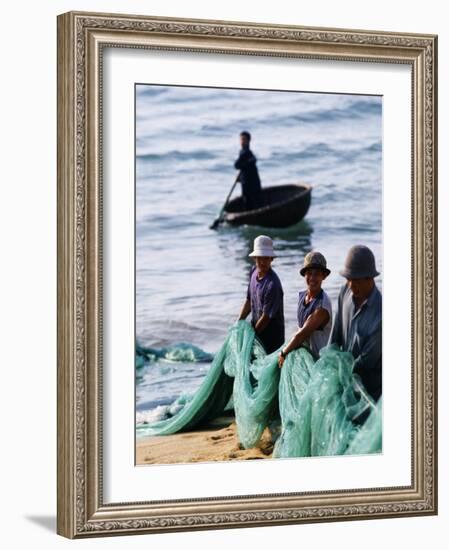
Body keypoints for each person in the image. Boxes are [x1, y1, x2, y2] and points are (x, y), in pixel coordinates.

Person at [329, 244, 382, 409]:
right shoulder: (345, 291)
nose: (351, 285)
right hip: (343, 380)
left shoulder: (381, 315)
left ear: (370, 278)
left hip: (368, 393)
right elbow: (335, 333)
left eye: (356, 280)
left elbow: (365, 362)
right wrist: (329, 362)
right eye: (348, 279)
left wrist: (342, 374)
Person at [278, 252, 332, 367]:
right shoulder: (302, 296)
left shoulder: (322, 306)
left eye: (317, 274)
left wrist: (284, 352)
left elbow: (302, 334)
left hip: (318, 361)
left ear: (324, 276)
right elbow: (299, 329)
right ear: (304, 275)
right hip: (305, 356)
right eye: (309, 273)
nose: (312, 278)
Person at [238, 235, 285, 354]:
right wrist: (239, 321)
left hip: (272, 340)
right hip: (258, 333)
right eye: (259, 258)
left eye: (266, 258)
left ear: (271, 259)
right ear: (254, 258)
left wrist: (251, 337)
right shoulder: (253, 271)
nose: (262, 262)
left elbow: (266, 318)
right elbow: (249, 300)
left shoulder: (272, 285)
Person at [234, 131, 263, 210]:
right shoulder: (244, 152)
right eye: (241, 140)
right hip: (247, 180)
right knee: (250, 199)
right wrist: (241, 174)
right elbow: (239, 165)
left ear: (248, 141)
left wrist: (245, 165)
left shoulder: (246, 153)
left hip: (250, 181)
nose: (242, 142)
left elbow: (237, 165)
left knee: (251, 199)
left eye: (244, 140)